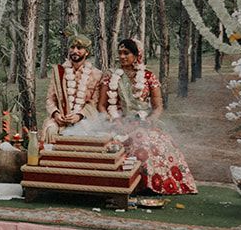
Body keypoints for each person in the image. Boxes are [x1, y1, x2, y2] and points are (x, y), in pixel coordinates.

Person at [96, 38, 196, 195]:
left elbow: (158, 107)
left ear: (137, 55)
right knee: (125, 141)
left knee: (150, 140)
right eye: (120, 53)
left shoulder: (148, 76)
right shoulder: (110, 76)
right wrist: (114, 122)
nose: (122, 57)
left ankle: (152, 184)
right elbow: (102, 106)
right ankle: (128, 184)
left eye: (126, 53)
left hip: (143, 123)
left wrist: (149, 121)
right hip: (117, 122)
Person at [42, 35, 102, 140]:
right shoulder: (59, 72)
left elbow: (94, 103)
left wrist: (79, 116)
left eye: (79, 48)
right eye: (72, 47)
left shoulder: (96, 74)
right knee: (51, 130)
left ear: (87, 52)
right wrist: (56, 113)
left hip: (84, 118)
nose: (75, 51)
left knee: (82, 132)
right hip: (60, 119)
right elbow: (50, 98)